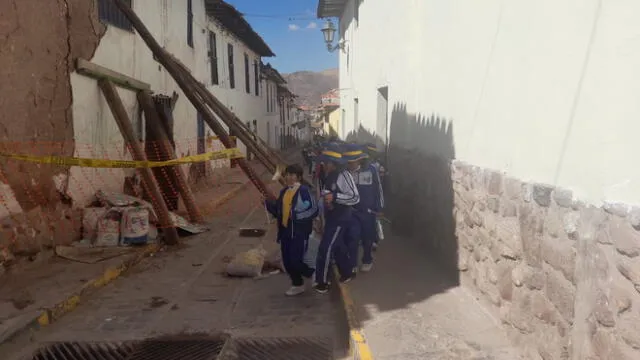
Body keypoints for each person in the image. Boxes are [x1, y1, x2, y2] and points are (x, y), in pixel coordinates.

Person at [265, 164, 319, 296]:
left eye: (292, 175)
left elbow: (314, 210)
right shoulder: (284, 191)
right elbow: (279, 211)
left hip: (299, 232)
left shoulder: (304, 191)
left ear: (298, 177)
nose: (289, 177)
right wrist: (267, 204)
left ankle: (315, 273)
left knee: (296, 260)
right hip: (285, 232)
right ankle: (297, 284)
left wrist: (295, 216)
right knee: (287, 261)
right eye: (287, 174)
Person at [314, 144, 360, 293]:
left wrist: (335, 197)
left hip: (340, 218)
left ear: (332, 163)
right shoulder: (328, 175)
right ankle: (347, 272)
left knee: (326, 248)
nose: (324, 165)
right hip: (331, 216)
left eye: (326, 162)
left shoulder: (344, 176)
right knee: (338, 246)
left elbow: (355, 197)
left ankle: (322, 282)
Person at [343, 144, 384, 272]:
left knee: (368, 238)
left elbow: (379, 189)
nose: (350, 164)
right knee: (353, 237)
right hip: (353, 212)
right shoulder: (346, 173)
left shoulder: (371, 170)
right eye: (348, 161)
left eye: (352, 161)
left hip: (369, 212)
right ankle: (352, 264)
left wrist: (380, 207)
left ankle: (367, 259)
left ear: (359, 159)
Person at [365, 143, 387, 250]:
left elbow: (379, 186)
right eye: (369, 152)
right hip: (367, 199)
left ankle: (374, 240)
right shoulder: (364, 166)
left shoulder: (376, 166)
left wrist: (380, 205)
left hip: (374, 199)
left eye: (371, 153)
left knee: (375, 221)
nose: (370, 155)